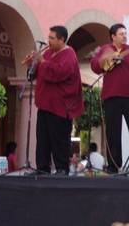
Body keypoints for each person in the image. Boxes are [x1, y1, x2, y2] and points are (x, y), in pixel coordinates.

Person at [33, 25, 84, 175]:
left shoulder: (69, 54)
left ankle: (62, 168)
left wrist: (42, 62)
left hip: (60, 106)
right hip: (45, 105)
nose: (48, 41)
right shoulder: (48, 53)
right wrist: (34, 64)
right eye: (48, 37)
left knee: (59, 140)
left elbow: (60, 73)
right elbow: (40, 72)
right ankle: (42, 168)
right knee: (42, 139)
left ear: (62, 39)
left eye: (52, 38)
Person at [91, 23, 129, 173]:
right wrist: (109, 57)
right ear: (113, 36)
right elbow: (95, 66)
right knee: (112, 133)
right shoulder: (105, 49)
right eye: (121, 34)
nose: (124, 36)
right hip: (111, 96)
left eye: (125, 33)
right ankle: (113, 165)